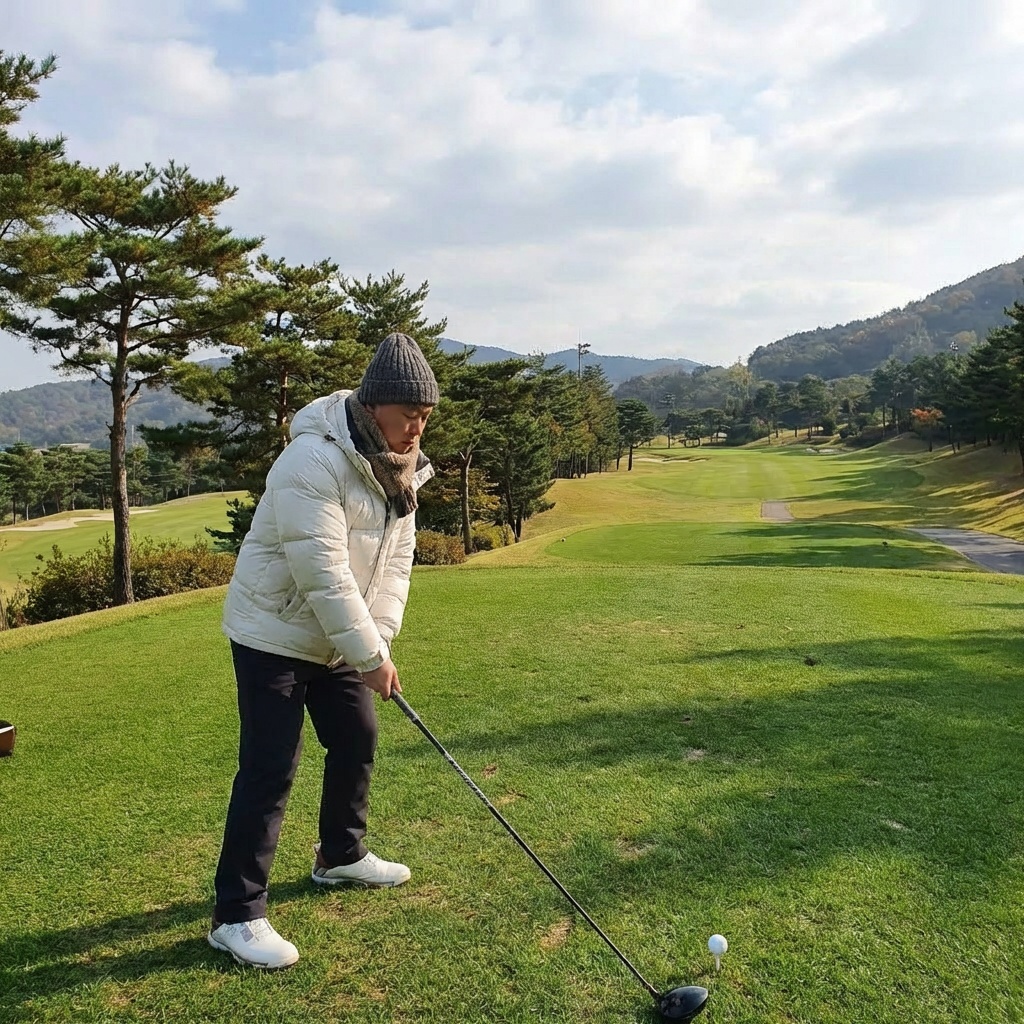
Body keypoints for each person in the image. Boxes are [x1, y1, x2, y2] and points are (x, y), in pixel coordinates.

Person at [208, 332, 438, 969]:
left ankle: (340, 855)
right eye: (408, 416)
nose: (417, 429)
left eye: (425, 417)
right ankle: (237, 914)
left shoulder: (404, 469)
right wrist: (367, 654)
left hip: (339, 638)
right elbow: (324, 574)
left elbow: (396, 568)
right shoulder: (311, 460)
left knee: (357, 737)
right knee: (270, 766)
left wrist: (377, 643)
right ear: (374, 407)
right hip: (273, 633)